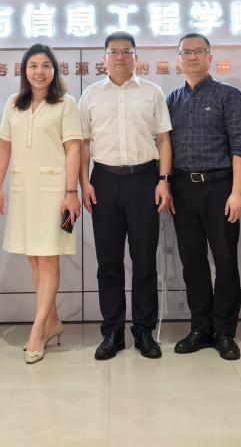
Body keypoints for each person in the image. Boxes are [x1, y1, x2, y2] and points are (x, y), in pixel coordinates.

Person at [79, 32, 173, 361]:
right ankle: (112, 332)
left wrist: (163, 180)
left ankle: (144, 331)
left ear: (136, 57)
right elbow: (83, 144)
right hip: (103, 181)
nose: (120, 57)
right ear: (104, 58)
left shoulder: (152, 92)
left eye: (126, 52)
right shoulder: (91, 95)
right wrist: (83, 182)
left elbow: (164, 140)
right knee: (108, 262)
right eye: (113, 52)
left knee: (144, 259)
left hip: (144, 179)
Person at [0, 44, 82, 364]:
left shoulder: (66, 104)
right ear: (24, 70)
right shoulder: (13, 104)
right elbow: (4, 147)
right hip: (23, 190)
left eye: (46, 65)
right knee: (34, 258)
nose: (39, 71)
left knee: (48, 258)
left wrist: (71, 192)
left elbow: (74, 149)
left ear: (54, 70)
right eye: (33, 66)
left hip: (54, 191)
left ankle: (37, 329)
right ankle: (53, 322)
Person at [166, 33, 241, 361]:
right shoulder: (172, 100)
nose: (192, 57)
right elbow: (165, 147)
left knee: (226, 260)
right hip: (183, 188)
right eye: (186, 52)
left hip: (220, 187)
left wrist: (237, 191)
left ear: (210, 57)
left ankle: (224, 332)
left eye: (199, 51)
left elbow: (240, 144)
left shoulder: (228, 95)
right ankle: (200, 328)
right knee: (192, 261)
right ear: (178, 60)